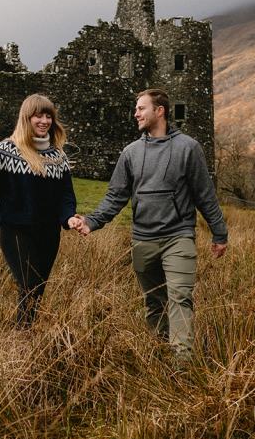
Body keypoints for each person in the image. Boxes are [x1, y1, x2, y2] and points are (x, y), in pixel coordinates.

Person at [71, 89, 228, 361]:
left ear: (160, 111)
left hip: (178, 237)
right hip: (143, 240)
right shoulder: (130, 153)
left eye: (141, 108)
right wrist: (93, 221)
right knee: (155, 303)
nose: (136, 113)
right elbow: (116, 196)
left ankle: (181, 365)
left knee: (180, 298)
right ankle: (159, 357)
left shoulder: (188, 148)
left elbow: (205, 194)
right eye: (136, 108)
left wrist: (219, 232)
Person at [0, 94, 78, 328]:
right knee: (29, 284)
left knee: (37, 290)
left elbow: (66, 196)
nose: (44, 121)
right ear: (27, 118)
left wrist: (69, 218)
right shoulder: (6, 150)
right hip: (16, 231)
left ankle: (26, 335)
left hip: (48, 233)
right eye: (38, 116)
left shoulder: (58, 156)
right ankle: (21, 339)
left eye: (48, 116)